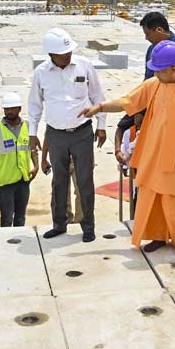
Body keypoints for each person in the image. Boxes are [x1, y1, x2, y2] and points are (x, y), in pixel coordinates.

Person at [80, 40, 175, 257]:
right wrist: (100, 107)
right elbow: (126, 102)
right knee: (153, 197)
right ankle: (158, 236)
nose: (156, 74)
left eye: (159, 70)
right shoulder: (153, 85)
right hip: (154, 155)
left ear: (174, 67)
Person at [28, 28, 106, 243]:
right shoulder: (41, 73)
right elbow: (35, 105)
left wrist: (101, 125)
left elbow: (98, 96)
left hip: (82, 133)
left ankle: (88, 226)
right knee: (59, 181)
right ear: (51, 55)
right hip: (55, 135)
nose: (68, 55)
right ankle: (59, 224)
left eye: (70, 51)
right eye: (63, 53)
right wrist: (32, 134)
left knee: (85, 181)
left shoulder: (84, 65)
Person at [0, 92, 39, 227]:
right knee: (7, 218)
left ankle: (18, 241)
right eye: (6, 109)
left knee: (20, 217)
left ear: (19, 109)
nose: (9, 111)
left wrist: (36, 166)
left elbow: (33, 149)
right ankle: (6, 243)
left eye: (12, 108)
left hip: (23, 181)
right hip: (4, 183)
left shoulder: (28, 126)